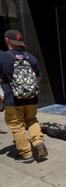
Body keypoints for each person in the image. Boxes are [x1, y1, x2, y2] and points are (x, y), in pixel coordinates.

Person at [0, 29, 48, 163]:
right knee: (32, 120)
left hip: (13, 99)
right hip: (32, 98)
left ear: (7, 41)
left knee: (17, 126)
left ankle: (26, 154)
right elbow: (39, 77)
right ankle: (38, 143)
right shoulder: (31, 57)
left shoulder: (3, 56)